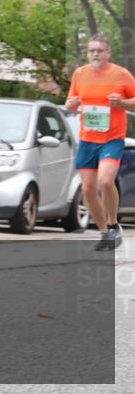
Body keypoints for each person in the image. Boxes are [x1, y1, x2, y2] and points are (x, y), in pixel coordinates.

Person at [65, 33, 135, 250]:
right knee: (87, 189)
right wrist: (71, 104)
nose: (95, 54)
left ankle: (114, 225)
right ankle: (105, 233)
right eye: (91, 50)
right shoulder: (80, 74)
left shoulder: (121, 74)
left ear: (108, 53)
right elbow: (69, 103)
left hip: (112, 138)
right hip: (87, 139)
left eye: (99, 50)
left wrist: (122, 103)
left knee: (105, 181)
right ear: (88, 53)